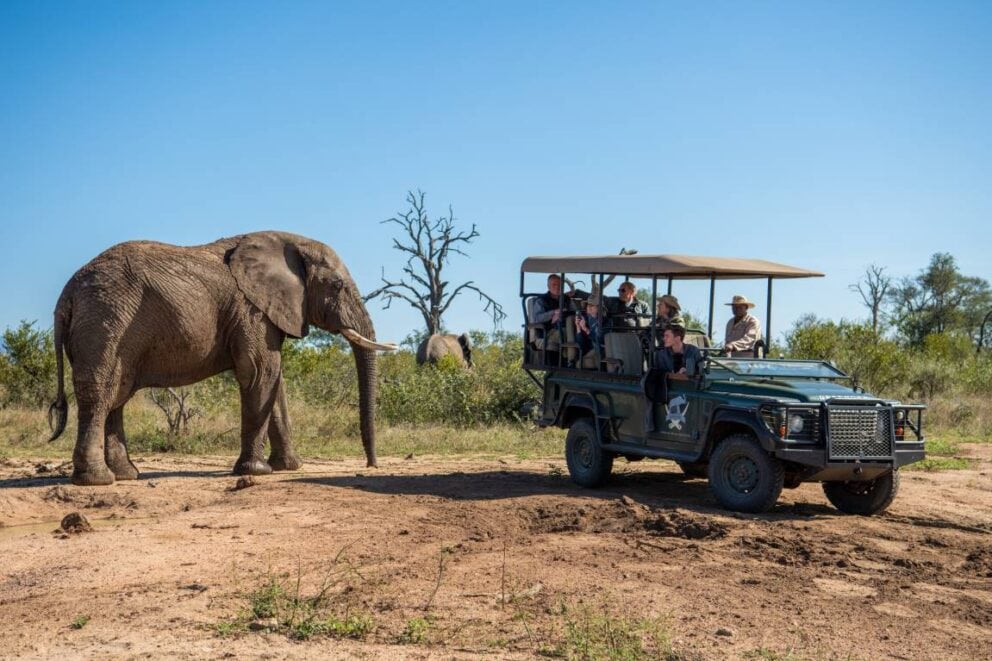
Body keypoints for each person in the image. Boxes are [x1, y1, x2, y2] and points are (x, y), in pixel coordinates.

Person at [642, 324, 702, 432]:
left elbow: (701, 371)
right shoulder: (661, 355)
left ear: (677, 338)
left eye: (667, 336)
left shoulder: (693, 351)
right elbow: (657, 375)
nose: (663, 338)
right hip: (670, 389)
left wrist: (689, 371)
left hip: (689, 388)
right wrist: (672, 374)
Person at [531, 274, 581, 365]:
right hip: (549, 331)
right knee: (565, 332)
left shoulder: (566, 299)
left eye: (560, 285)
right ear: (548, 286)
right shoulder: (541, 300)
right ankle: (570, 360)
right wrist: (554, 313)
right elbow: (537, 318)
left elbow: (575, 312)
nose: (557, 287)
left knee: (579, 330)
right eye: (554, 285)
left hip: (567, 326)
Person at [574, 295, 604, 368]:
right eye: (588, 305)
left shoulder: (606, 321)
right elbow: (581, 344)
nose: (589, 308)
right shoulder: (586, 320)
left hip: (601, 349)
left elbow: (601, 341)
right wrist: (578, 327)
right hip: (589, 349)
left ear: (599, 308)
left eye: (592, 306)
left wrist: (586, 329)